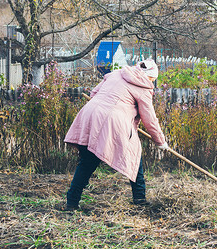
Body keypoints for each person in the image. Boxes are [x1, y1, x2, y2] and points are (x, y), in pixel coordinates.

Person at [61, 59, 169, 211]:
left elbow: (94, 93)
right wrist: (160, 141)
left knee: (86, 162)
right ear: (149, 76)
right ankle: (139, 199)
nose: (152, 82)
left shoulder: (116, 74)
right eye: (153, 79)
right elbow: (149, 119)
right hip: (112, 121)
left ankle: (71, 202)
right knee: (134, 154)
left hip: (89, 114)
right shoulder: (144, 87)